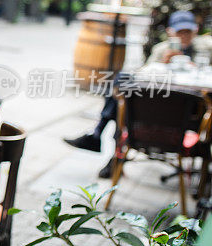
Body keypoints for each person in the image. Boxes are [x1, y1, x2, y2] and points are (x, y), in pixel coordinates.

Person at [64, 10, 212, 177]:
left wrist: (194, 68)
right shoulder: (161, 50)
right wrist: (163, 64)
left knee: (122, 96)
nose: (184, 36)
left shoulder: (206, 48)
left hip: (193, 112)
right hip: (158, 105)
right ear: (171, 32)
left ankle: (99, 136)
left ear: (195, 30)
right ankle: (107, 146)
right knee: (123, 82)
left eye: (187, 31)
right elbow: (143, 79)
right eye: (180, 32)